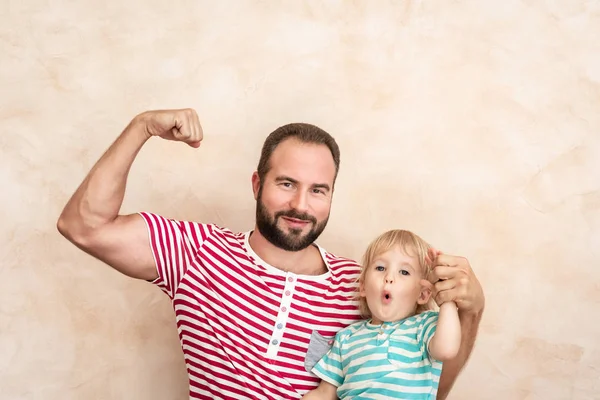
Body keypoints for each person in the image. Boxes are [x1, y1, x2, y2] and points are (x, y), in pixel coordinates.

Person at [57, 108, 485, 400]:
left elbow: (424, 389)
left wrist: (471, 311)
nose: (301, 204)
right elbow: (83, 225)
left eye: (318, 190)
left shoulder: (364, 284)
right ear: (257, 184)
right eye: (286, 183)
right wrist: (142, 126)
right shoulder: (196, 252)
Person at [302, 229, 461, 400]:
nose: (389, 277)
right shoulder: (346, 338)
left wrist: (446, 299)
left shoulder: (424, 326)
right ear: (363, 286)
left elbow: (447, 350)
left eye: (404, 272)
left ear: (422, 294)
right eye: (380, 268)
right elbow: (325, 393)